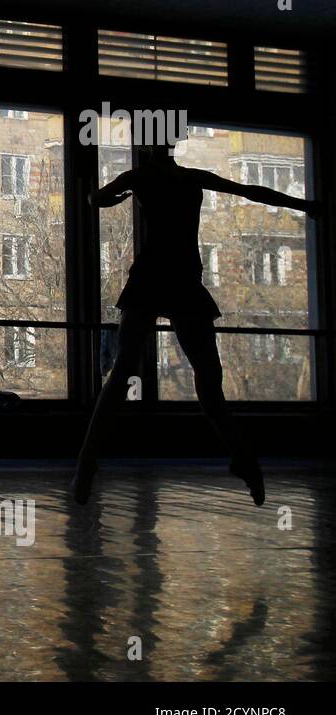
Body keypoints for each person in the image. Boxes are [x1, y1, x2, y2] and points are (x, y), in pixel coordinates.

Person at [72, 135, 319, 506]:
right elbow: (250, 190)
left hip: (152, 277)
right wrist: (303, 204)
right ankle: (243, 457)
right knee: (208, 383)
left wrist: (115, 197)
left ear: (147, 149)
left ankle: (86, 463)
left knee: (122, 372)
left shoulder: (139, 178)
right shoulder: (190, 178)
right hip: (184, 280)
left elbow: (95, 198)